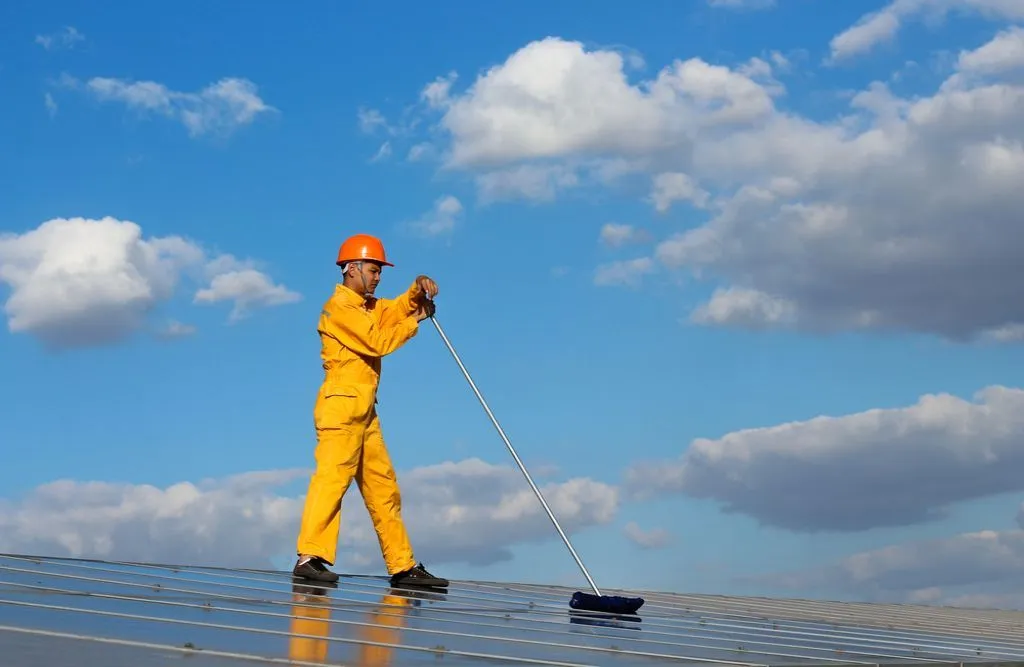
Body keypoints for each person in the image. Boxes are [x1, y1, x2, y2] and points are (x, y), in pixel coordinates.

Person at [292, 233, 449, 588]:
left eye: (380, 270)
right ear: (351, 269)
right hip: (341, 406)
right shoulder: (340, 308)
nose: (378, 276)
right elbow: (377, 340)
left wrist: (415, 292)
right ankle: (309, 556)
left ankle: (403, 566)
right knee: (333, 480)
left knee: (384, 488)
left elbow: (391, 310)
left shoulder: (366, 307)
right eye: (373, 269)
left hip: (364, 410)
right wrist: (415, 321)